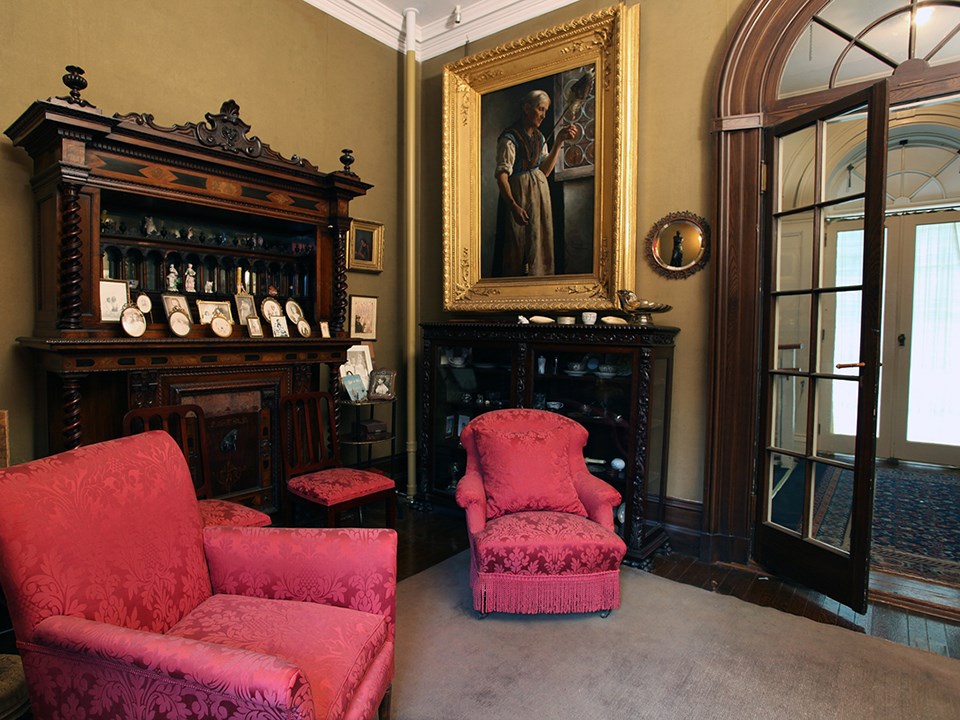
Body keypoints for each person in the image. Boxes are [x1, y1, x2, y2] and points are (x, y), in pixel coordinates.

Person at [492, 89, 578, 277]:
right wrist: (514, 206)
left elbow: (545, 171)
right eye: (540, 109)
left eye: (546, 111)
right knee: (519, 246)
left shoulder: (539, 138)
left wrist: (559, 141)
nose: (544, 115)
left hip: (539, 198)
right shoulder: (510, 138)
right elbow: (502, 176)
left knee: (539, 244)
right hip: (520, 196)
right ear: (526, 109)